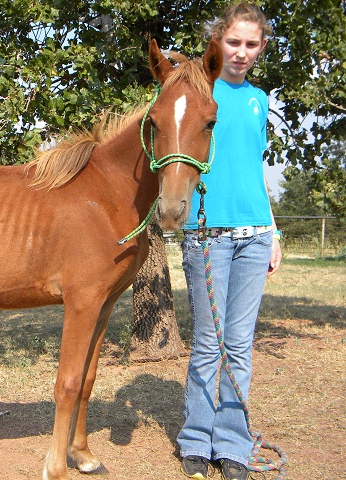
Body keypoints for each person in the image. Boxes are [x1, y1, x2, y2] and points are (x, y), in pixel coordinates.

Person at [177, 3, 283, 480]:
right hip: (207, 234)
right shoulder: (201, 90)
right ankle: (196, 441)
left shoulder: (260, 99)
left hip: (256, 236)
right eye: (233, 42)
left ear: (261, 47)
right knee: (207, 343)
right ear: (218, 41)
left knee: (239, 345)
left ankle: (235, 447)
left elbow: (253, 170)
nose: (241, 52)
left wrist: (274, 229)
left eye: (251, 44)